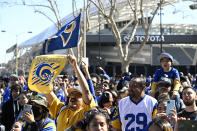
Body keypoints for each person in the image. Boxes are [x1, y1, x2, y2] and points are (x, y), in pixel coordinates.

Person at [46, 55, 96, 131]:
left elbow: (86, 91)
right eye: (71, 95)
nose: (72, 97)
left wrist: (75, 66)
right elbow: (47, 91)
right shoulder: (61, 109)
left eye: (77, 95)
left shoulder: (85, 113)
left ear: (83, 100)